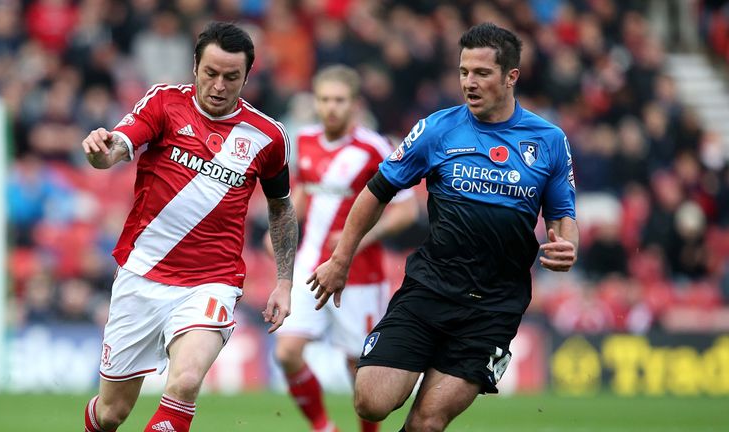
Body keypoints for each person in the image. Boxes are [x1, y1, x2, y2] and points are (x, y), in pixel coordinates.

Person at [308, 23, 579, 432]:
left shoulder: (549, 140)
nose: (469, 82)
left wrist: (567, 246)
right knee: (371, 401)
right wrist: (340, 259)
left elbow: (563, 215)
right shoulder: (437, 129)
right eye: (463, 71)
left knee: (427, 422)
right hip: (429, 289)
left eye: (482, 73)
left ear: (511, 77)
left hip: (494, 306)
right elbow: (375, 191)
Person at [80, 22, 297, 432]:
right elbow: (118, 147)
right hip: (142, 273)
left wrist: (284, 281)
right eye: (210, 73)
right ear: (194, 66)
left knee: (185, 381)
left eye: (231, 77)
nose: (218, 85)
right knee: (112, 414)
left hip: (211, 281)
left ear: (247, 77)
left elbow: (281, 208)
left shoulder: (268, 136)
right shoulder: (164, 103)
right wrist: (99, 152)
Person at [272, 65, 418, 432]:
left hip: (360, 275)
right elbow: (303, 195)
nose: (331, 108)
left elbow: (407, 209)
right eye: (324, 100)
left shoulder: (374, 148)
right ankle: (324, 427)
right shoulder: (303, 140)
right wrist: (281, 229)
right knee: (287, 353)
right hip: (308, 266)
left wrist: (358, 239)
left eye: (339, 100)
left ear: (354, 104)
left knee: (360, 368)